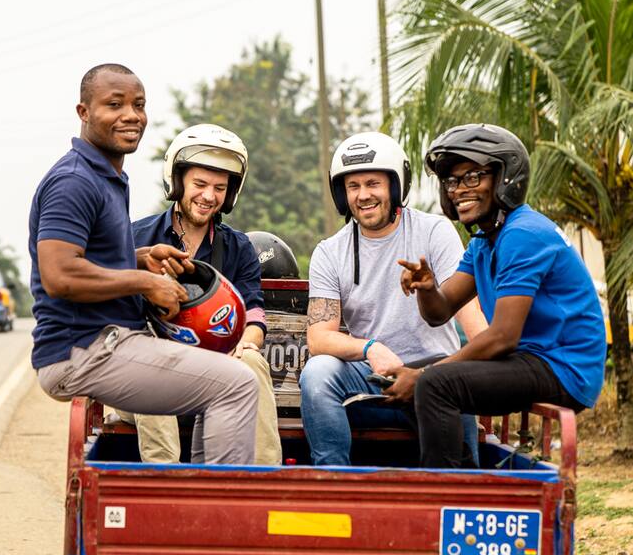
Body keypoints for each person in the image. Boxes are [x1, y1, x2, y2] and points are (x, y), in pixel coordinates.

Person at [29, 65, 259, 464]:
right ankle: (222, 516)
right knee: (236, 384)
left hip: (109, 340)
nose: (131, 115)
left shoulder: (108, 178)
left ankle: (200, 502)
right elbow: (60, 274)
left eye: (138, 105)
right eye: (113, 104)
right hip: (85, 348)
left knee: (225, 377)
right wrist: (145, 282)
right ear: (84, 112)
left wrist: (143, 258)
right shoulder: (74, 180)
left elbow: (91, 259)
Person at [392, 122, 607, 468]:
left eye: (472, 178)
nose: (459, 190)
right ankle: (461, 474)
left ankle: (446, 498)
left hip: (563, 367)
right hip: (530, 359)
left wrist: (426, 376)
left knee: (433, 383)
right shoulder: (484, 242)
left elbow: (503, 337)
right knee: (410, 373)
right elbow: (439, 312)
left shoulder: (523, 234)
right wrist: (428, 288)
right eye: (452, 181)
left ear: (505, 177)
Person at [299, 131, 487, 466]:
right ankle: (331, 480)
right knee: (317, 372)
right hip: (370, 375)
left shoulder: (434, 231)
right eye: (353, 186)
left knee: (462, 472)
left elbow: (468, 312)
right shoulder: (329, 252)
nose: (363, 195)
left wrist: (489, 366)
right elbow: (318, 338)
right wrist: (371, 348)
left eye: (373, 183)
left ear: (395, 185)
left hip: (435, 371)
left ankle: (460, 490)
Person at [128, 124, 282, 465]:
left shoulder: (239, 247)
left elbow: (254, 313)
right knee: (150, 362)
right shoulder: (137, 236)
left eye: (219, 187)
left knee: (253, 360)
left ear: (230, 194)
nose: (208, 196)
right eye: (200, 184)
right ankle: (165, 481)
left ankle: (262, 482)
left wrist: (246, 343)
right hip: (147, 380)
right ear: (178, 181)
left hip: (217, 371)